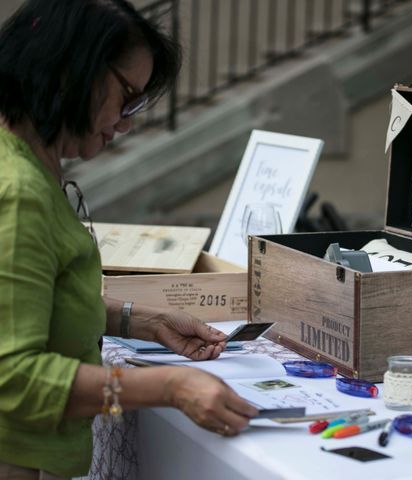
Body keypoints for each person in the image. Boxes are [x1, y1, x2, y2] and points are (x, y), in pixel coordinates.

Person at [0, 1, 257, 479]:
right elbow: (11, 379)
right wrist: (170, 386)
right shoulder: (18, 191)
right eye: (128, 97)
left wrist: (139, 319)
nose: (126, 123)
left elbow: (36, 306)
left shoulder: (30, 165)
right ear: (71, 71)